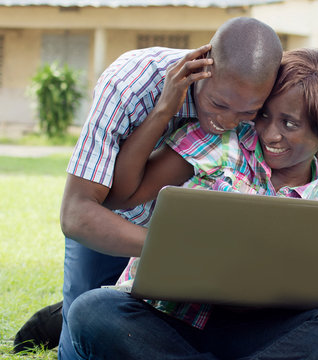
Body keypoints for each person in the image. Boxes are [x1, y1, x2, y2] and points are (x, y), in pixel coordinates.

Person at [68, 48, 318, 359]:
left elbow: (312, 295)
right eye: (264, 115)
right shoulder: (222, 142)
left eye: (290, 124)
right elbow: (125, 195)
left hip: (256, 332)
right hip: (170, 320)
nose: (270, 133)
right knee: (92, 311)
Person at [13, 17, 283, 359]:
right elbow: (77, 214)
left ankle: (118, 295)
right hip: (112, 221)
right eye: (218, 104)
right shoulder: (129, 82)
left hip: (192, 234)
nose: (227, 123)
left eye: (248, 112)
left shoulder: (262, 94)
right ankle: (74, 308)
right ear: (205, 67)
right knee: (82, 340)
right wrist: (163, 110)